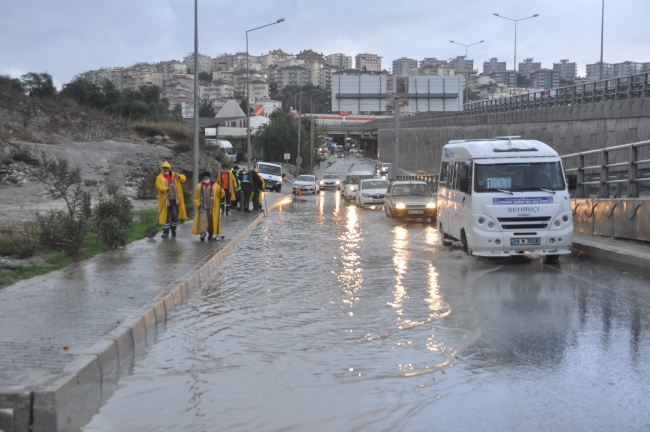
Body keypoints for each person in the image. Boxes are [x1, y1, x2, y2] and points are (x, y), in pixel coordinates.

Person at [156, 161, 187, 239]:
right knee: (165, 216)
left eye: (167, 168)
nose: (166, 169)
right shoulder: (159, 177)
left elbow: (183, 178)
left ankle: (173, 230)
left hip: (174, 199)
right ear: (162, 169)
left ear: (169, 168)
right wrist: (166, 189)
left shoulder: (174, 175)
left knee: (174, 215)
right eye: (164, 168)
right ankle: (165, 232)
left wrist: (179, 177)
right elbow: (158, 186)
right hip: (165, 200)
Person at [191, 172, 225, 241]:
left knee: (210, 221)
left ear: (209, 178)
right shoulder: (199, 186)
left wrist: (221, 191)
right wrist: (198, 204)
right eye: (204, 178)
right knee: (203, 220)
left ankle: (210, 233)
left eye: (207, 177)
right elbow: (195, 197)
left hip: (212, 207)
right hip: (202, 207)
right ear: (202, 178)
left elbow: (221, 195)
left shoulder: (215, 186)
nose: (206, 179)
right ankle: (202, 235)